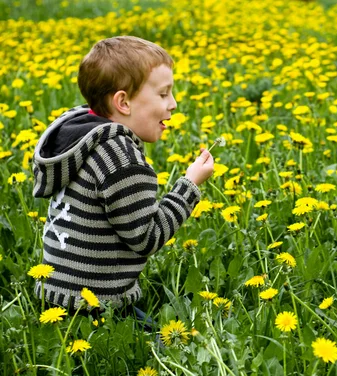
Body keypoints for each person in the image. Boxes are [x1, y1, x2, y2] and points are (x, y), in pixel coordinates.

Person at [32, 36, 214, 325]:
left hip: (56, 297)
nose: (174, 104)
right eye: (164, 94)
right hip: (96, 306)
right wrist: (189, 185)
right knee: (173, 347)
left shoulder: (79, 134)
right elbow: (147, 238)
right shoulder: (119, 157)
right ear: (124, 102)